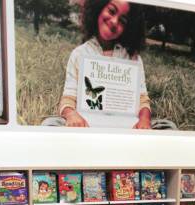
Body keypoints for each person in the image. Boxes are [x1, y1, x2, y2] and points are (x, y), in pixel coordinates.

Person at [42, 0, 176, 130]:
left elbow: (142, 100)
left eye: (122, 21)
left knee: (169, 127)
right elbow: (68, 98)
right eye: (111, 11)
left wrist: (144, 120)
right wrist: (71, 115)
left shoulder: (133, 58)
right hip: (87, 126)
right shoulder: (79, 54)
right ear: (99, 8)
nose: (114, 22)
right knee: (50, 124)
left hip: (127, 127)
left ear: (128, 27)